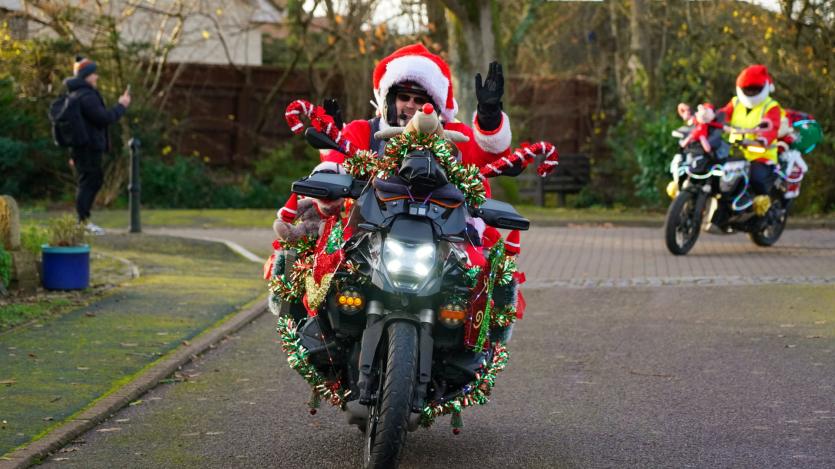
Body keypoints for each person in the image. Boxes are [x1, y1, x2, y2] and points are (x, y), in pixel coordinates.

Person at [678, 64, 782, 231]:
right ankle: (721, 213)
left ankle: (758, 214)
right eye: (747, 89)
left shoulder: (770, 106)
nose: (750, 93)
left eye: (755, 89)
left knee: (757, 179)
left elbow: (772, 127)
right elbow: (721, 115)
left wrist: (762, 139)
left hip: (761, 156)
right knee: (718, 176)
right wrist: (708, 115)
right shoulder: (736, 102)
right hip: (734, 153)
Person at [63, 55, 131, 235]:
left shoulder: (75, 94)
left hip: (81, 148)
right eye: (94, 73)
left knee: (91, 181)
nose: (97, 77)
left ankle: (82, 221)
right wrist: (121, 106)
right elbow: (104, 118)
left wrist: (72, 153)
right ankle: (82, 223)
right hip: (88, 148)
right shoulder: (87, 96)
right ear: (86, 76)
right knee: (89, 182)